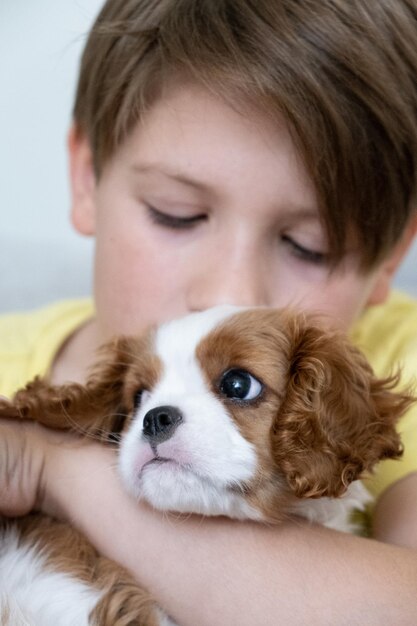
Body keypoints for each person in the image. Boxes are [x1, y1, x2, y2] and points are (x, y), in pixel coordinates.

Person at [1, 0, 417, 623]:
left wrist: (52, 467)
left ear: (391, 258)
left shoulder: (401, 358)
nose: (232, 287)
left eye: (310, 246)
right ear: (87, 178)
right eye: (177, 213)